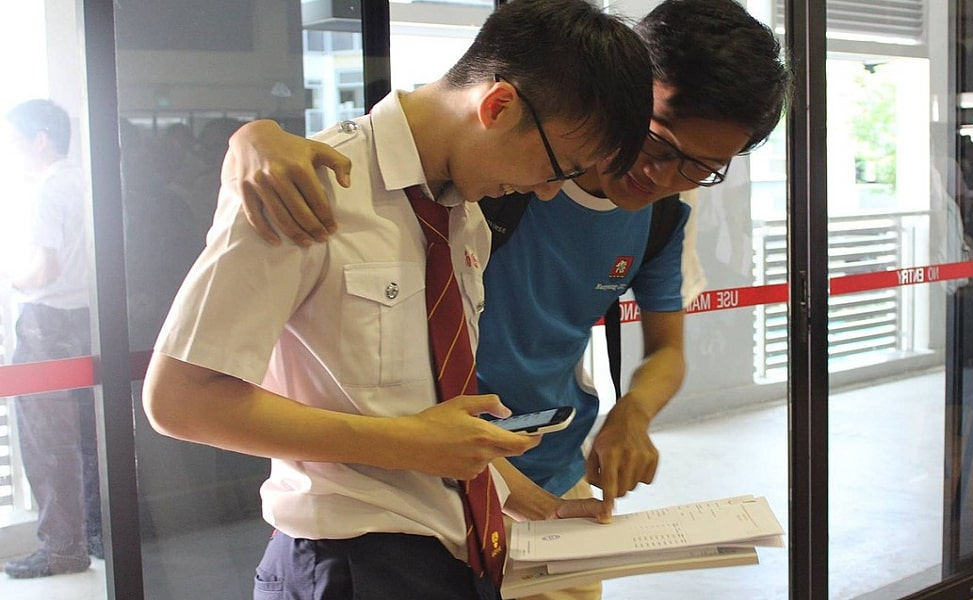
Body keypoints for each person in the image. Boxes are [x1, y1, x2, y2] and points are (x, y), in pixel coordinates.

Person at [228, 3, 789, 598]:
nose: (663, 175)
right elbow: (386, 152)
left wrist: (633, 414)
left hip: (545, 486)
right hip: (416, 494)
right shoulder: (497, 171)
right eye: (656, 142)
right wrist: (252, 138)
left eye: (702, 168)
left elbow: (667, 348)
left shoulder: (661, 215)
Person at [140, 1, 652, 598]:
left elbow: (422, 400)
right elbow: (178, 400)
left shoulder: (466, 220)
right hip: (346, 564)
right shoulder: (305, 187)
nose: (544, 192)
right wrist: (408, 444)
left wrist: (522, 497)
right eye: (556, 167)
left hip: (452, 557)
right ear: (498, 106)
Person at [1, 99, 103, 578]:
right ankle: (101, 535)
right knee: (91, 437)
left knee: (48, 443)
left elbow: (44, 268)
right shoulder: (87, 179)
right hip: (90, 321)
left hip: (46, 324)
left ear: (40, 138)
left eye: (16, 139)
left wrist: (12, 278)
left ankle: (63, 548)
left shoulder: (46, 190)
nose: (12, 149)